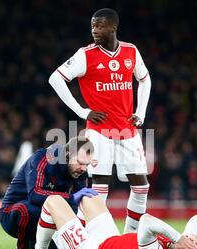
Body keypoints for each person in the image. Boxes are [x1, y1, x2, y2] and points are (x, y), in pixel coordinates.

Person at [49, 8, 152, 234]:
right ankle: (91, 239)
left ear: (113, 27)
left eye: (99, 26)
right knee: (99, 189)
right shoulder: (85, 55)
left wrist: (141, 112)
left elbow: (145, 80)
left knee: (141, 187)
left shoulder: (130, 51)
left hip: (128, 130)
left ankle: (130, 236)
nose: (94, 30)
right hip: (99, 131)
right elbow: (55, 79)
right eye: (92, 26)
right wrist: (82, 111)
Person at [27, 194, 197, 249]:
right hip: (108, 239)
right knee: (89, 196)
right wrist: (193, 237)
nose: (188, 243)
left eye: (189, 247)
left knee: (54, 201)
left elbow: (146, 221)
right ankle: (67, 245)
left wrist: (179, 237)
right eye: (193, 245)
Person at [0, 136, 98, 249]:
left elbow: (73, 208)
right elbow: (34, 194)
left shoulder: (79, 172)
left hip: (43, 215)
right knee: (28, 210)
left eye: (86, 164)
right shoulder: (43, 158)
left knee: (67, 213)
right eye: (80, 162)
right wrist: (70, 198)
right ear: (67, 154)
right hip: (11, 214)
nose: (83, 169)